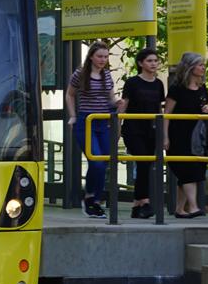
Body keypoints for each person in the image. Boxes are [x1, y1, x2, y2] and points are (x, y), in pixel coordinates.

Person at [65, 41, 120, 218]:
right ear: (91, 57)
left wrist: (118, 103)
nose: (103, 60)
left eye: (105, 56)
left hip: (103, 122)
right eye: (99, 56)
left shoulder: (107, 75)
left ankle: (95, 200)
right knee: (95, 160)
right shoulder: (80, 74)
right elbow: (70, 94)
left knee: (103, 163)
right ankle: (89, 197)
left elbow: (111, 100)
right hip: (86, 120)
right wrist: (73, 115)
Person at [119, 48, 165, 219]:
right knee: (143, 161)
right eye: (149, 61)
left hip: (151, 130)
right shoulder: (132, 82)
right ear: (140, 63)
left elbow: (158, 107)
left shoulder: (159, 84)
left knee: (146, 165)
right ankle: (144, 201)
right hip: (133, 129)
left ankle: (137, 205)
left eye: (155, 60)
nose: (153, 64)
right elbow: (124, 104)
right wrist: (117, 126)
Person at [164, 52, 208, 219]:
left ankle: (180, 209)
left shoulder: (202, 89)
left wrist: (207, 109)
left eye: (203, 64)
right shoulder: (177, 89)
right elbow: (167, 114)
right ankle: (193, 206)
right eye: (199, 64)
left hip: (196, 136)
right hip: (178, 135)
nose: (203, 67)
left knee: (192, 170)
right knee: (186, 170)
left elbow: (204, 107)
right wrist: (165, 137)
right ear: (190, 67)